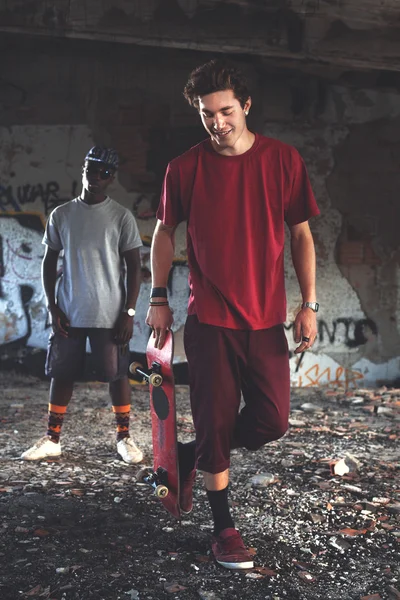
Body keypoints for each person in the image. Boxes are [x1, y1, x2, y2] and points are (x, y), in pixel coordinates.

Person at [146, 59, 320, 570]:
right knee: (217, 421)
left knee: (273, 420)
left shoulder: (283, 160)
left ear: (245, 106)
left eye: (225, 111)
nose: (217, 122)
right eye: (206, 114)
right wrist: (159, 297)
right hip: (211, 324)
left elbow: (302, 234)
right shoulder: (184, 168)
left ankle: (192, 451)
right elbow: (163, 232)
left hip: (265, 322)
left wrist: (308, 304)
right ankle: (224, 529)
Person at [21, 147, 143, 464]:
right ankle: (52, 438)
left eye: (105, 172)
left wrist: (129, 312)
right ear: (84, 168)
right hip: (69, 311)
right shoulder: (62, 215)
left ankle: (124, 438)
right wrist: (52, 306)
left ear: (112, 177)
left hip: (110, 311)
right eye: (93, 169)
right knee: (61, 374)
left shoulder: (121, 216)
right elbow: (49, 264)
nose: (97, 176)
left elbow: (134, 267)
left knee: (116, 375)